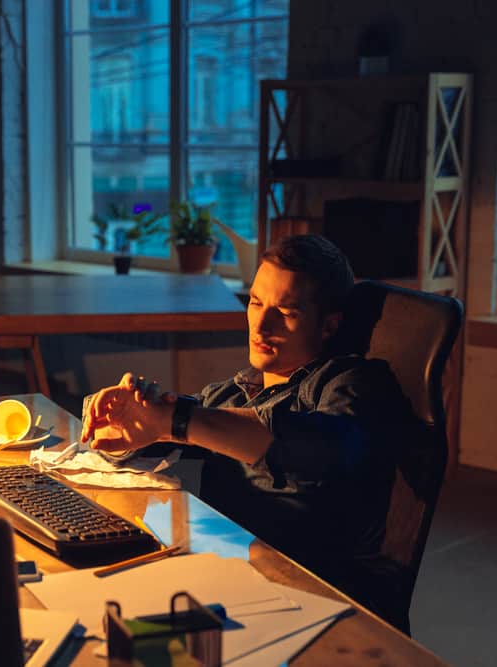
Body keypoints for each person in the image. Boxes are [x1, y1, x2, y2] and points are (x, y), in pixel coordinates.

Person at [81, 234, 420, 628]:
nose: (261, 324)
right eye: (256, 302)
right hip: (225, 579)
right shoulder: (235, 391)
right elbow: (172, 433)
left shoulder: (354, 382)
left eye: (286, 311)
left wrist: (177, 421)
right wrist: (132, 429)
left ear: (329, 325)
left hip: (308, 602)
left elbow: (326, 446)